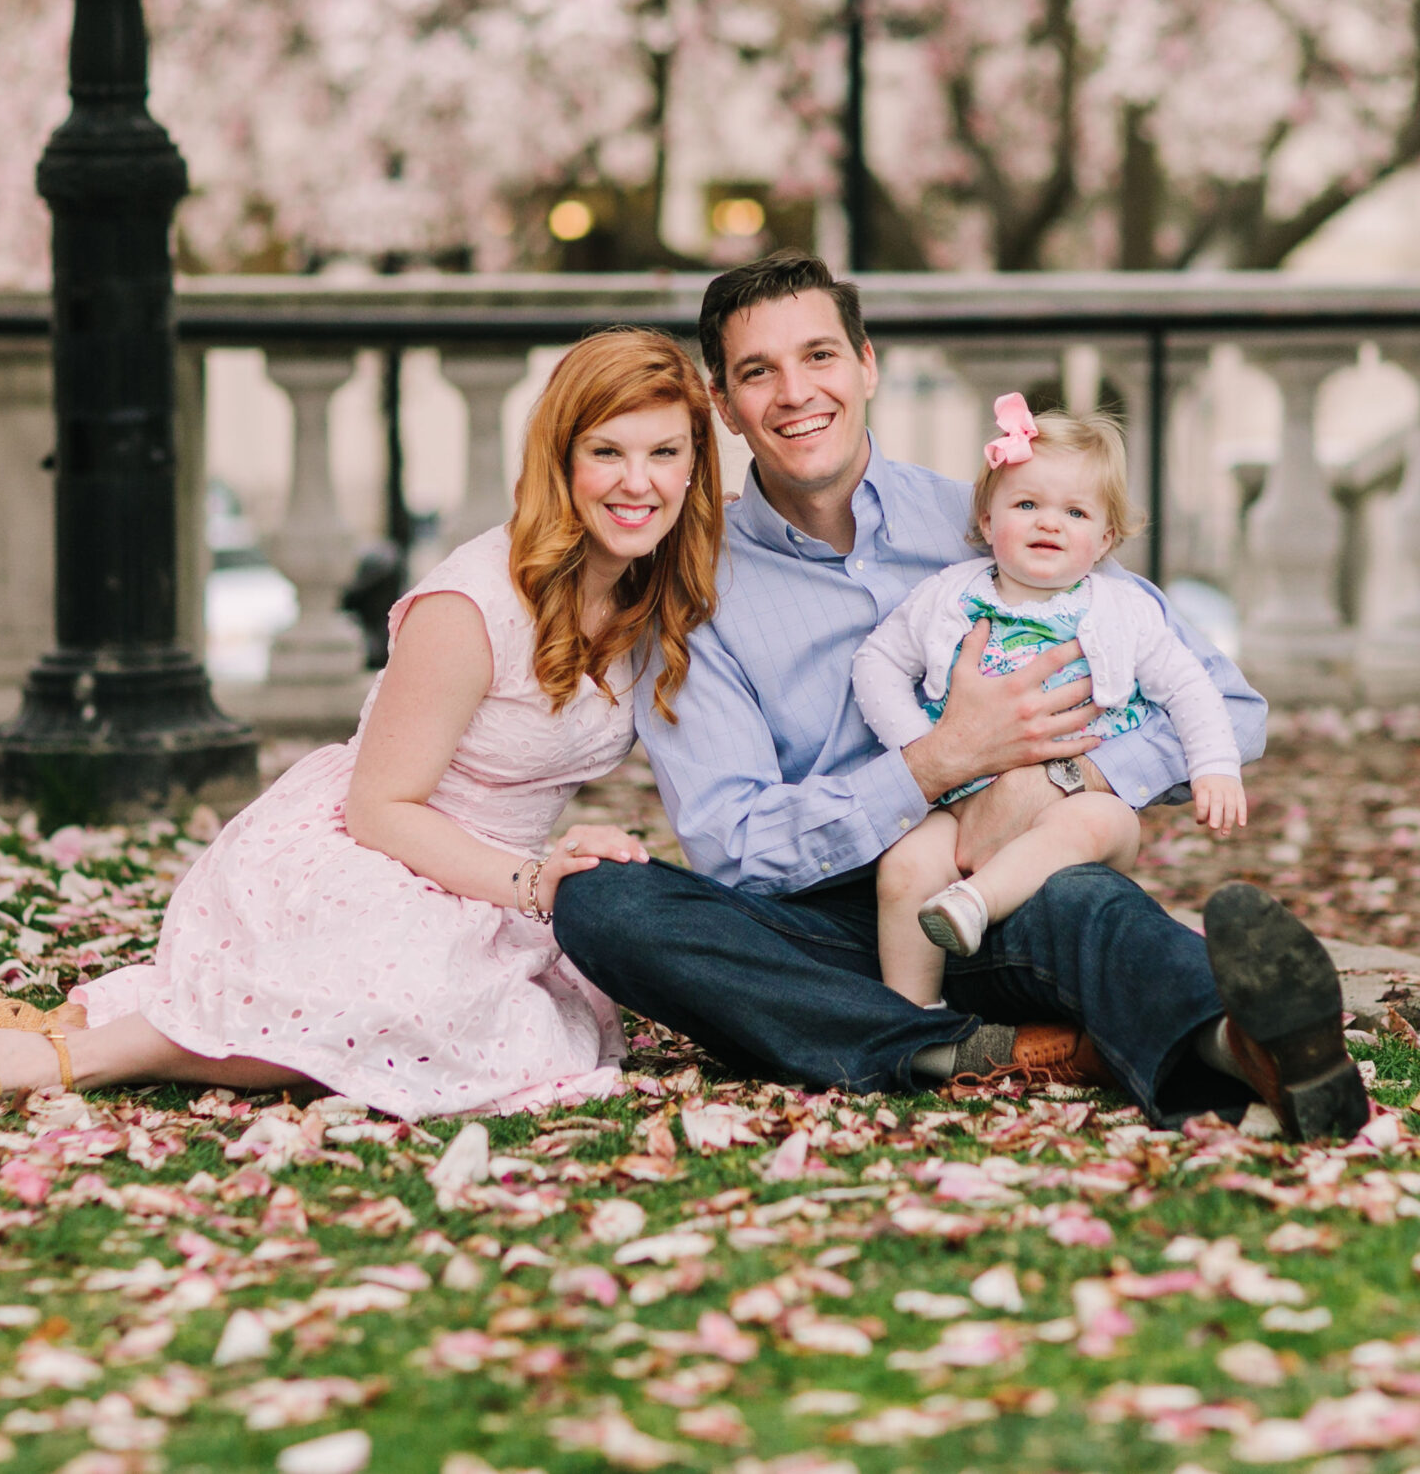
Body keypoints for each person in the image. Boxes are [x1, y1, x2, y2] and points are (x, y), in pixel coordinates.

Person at [553, 252, 1368, 1141]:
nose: (795, 392)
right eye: (758, 371)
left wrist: (1062, 780)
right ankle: (963, 1047)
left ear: (868, 365)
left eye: (820, 356)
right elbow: (735, 849)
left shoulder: (1003, 516)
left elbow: (1225, 704)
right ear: (724, 401)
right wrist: (936, 763)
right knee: (606, 905)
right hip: (807, 936)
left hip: (987, 891)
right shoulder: (692, 591)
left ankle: (1252, 1044)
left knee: (1086, 905)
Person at [0, 328, 723, 1118]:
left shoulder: (652, 593)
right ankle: (77, 1056)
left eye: (664, 453)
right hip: (375, 849)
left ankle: (106, 1030)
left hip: (500, 882)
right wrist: (532, 883)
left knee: (496, 1025)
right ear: (562, 458)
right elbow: (380, 807)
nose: (637, 481)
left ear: (695, 465)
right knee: (415, 1005)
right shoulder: (473, 604)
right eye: (607, 451)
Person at [853, 395, 1246, 1008]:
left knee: (1097, 821)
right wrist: (918, 746)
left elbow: (1191, 687)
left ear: (1106, 537)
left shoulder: (1123, 612)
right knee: (904, 867)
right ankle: (911, 1016)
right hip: (957, 804)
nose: (1048, 522)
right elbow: (876, 662)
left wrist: (1215, 766)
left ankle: (975, 900)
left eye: (1075, 511)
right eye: (1027, 504)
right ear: (987, 521)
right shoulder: (947, 598)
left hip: (1073, 801)